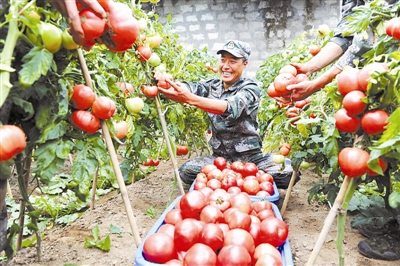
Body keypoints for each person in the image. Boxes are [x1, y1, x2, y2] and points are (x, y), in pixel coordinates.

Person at [154, 40, 298, 189]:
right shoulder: (212, 86)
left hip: (250, 160)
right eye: (223, 60)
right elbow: (189, 88)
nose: (226, 66)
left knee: (288, 173)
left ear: (245, 64)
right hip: (220, 159)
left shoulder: (250, 88)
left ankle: (240, 178)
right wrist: (167, 82)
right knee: (186, 171)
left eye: (233, 61)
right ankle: (244, 181)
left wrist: (190, 99)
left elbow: (228, 107)